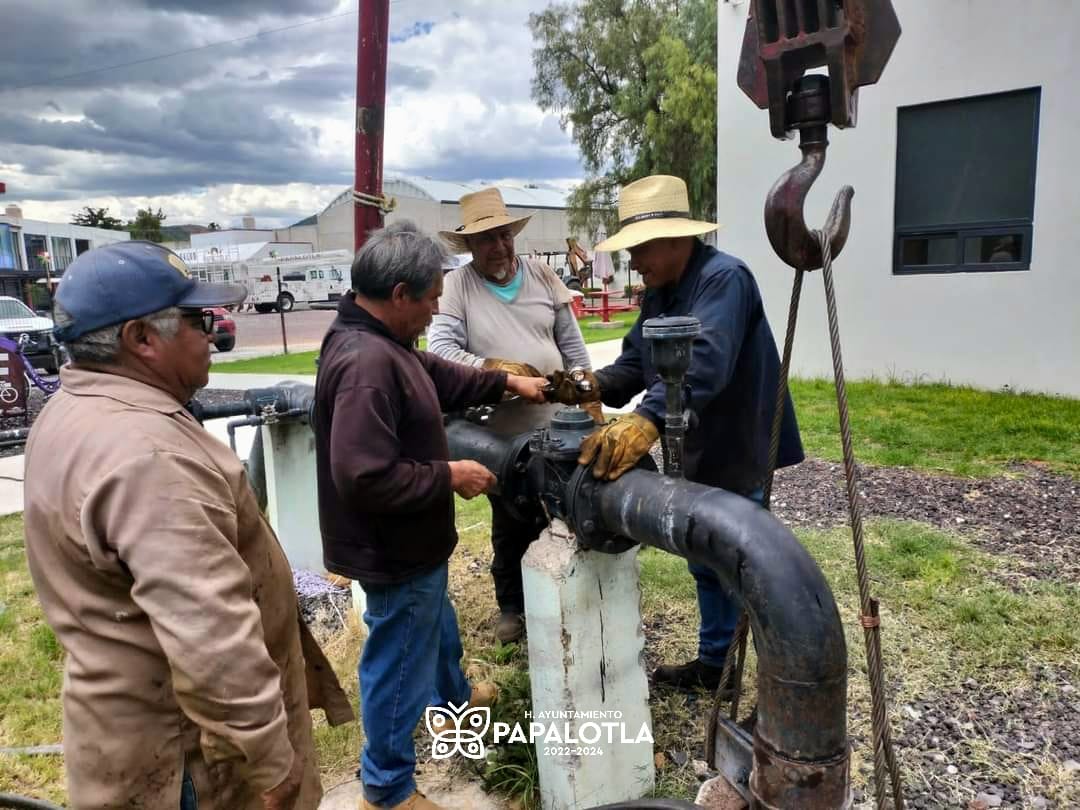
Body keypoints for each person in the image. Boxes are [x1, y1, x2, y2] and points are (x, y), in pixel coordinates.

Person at [22, 241, 352, 810]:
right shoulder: (149, 454)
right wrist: (271, 765)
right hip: (191, 763)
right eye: (198, 320)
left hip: (134, 736)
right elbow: (208, 631)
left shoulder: (76, 411)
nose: (213, 333)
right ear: (141, 339)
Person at [313, 221, 548, 810]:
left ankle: (455, 707)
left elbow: (438, 375)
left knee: (433, 619)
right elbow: (363, 475)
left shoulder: (383, 342)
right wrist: (451, 474)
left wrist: (506, 382)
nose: (436, 309)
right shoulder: (366, 365)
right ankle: (387, 788)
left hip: (413, 540)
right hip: (391, 545)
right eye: (430, 298)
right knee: (397, 659)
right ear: (399, 294)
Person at [549, 175, 804, 691]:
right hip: (694, 446)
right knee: (705, 560)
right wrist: (587, 384)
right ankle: (717, 666)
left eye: (640, 250)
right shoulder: (661, 294)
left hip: (735, 444)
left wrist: (646, 419)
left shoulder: (724, 280)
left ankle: (778, 687)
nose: (634, 263)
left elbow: (705, 362)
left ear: (677, 239)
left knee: (743, 565)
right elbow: (637, 363)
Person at [428, 187, 597, 644]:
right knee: (510, 519)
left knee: (569, 513)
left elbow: (573, 347)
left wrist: (589, 401)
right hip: (499, 435)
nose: (499, 247)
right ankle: (512, 607)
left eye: (504, 236)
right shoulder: (458, 287)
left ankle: (570, 603)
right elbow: (439, 352)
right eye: (487, 240)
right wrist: (500, 372)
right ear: (470, 247)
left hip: (557, 424)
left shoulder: (542, 275)